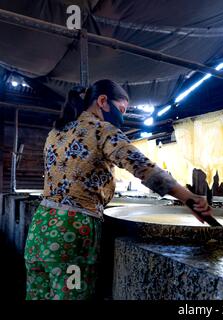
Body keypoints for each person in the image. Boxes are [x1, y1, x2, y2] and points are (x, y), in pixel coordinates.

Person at [24, 79, 212, 300]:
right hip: (71, 236)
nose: (122, 116)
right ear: (102, 101)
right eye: (121, 109)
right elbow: (143, 167)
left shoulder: (55, 133)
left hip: (40, 230)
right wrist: (188, 198)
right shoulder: (102, 130)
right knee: (71, 294)